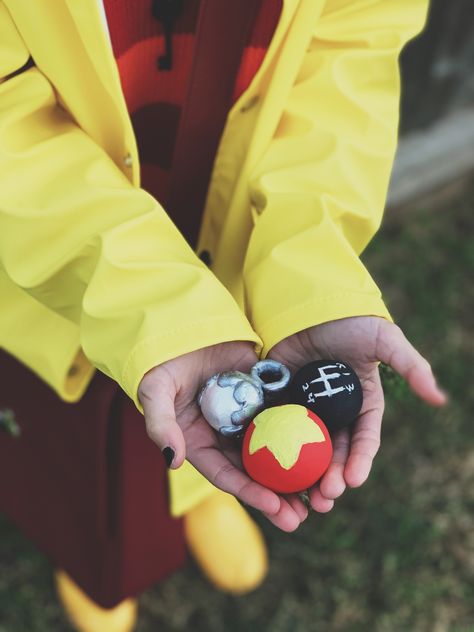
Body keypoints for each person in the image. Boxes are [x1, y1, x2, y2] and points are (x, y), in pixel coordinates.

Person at [0, 1, 446, 631]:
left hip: (227, 221)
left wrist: (309, 279)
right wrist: (149, 306)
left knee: (208, 408)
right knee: (72, 438)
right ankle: (92, 561)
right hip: (46, 263)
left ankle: (198, 500)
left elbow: (348, 51)